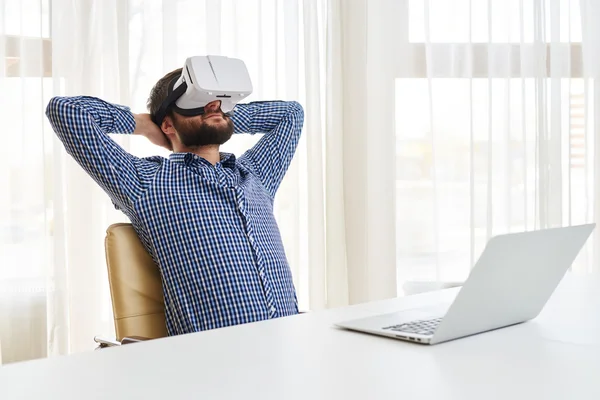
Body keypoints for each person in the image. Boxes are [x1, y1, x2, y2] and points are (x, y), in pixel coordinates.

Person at [45, 67, 304, 335]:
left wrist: (219, 113)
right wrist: (144, 125)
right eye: (196, 100)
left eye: (216, 101)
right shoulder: (146, 182)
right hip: (218, 360)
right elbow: (66, 111)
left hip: (288, 342)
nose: (212, 105)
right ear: (167, 124)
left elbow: (291, 114)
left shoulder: (255, 174)